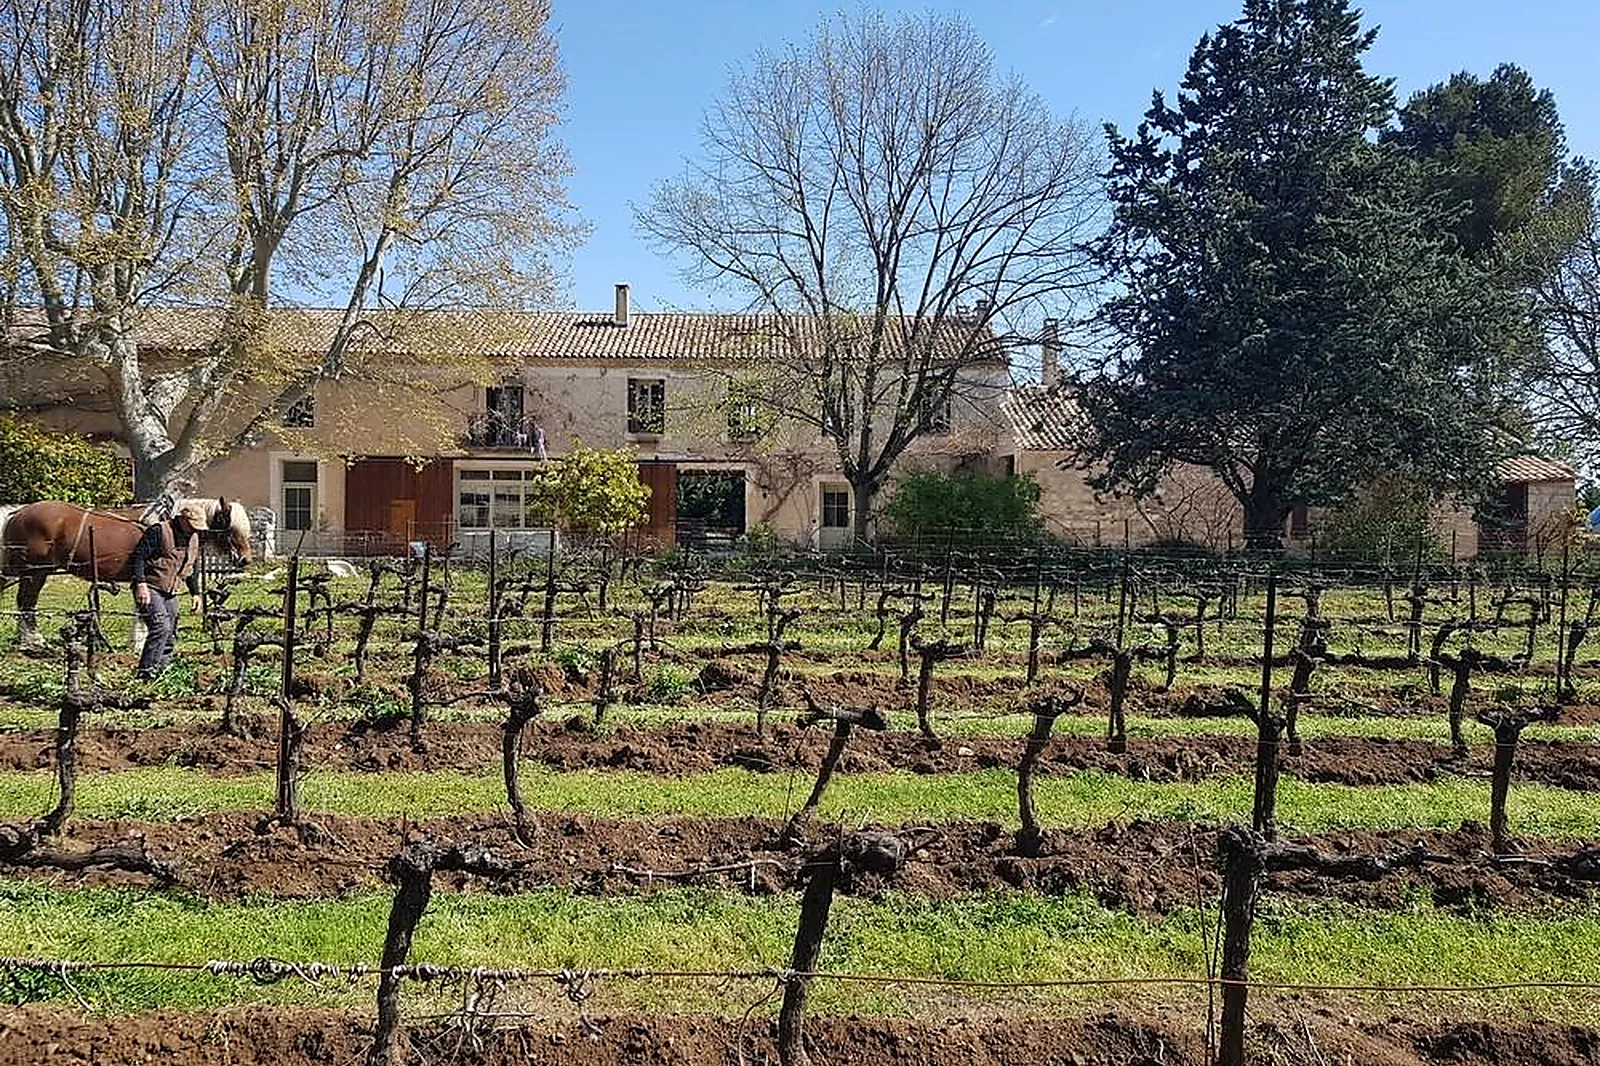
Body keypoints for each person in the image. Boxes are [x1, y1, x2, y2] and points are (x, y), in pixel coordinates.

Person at [131, 501, 207, 680]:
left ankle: (162, 672)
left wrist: (195, 593)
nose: (194, 530)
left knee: (171, 633)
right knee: (160, 627)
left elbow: (191, 566)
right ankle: (145, 674)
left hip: (172, 590)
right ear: (182, 519)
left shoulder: (194, 537)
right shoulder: (159, 531)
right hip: (151, 587)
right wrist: (140, 584)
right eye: (192, 525)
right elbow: (139, 557)